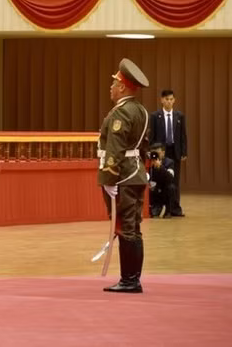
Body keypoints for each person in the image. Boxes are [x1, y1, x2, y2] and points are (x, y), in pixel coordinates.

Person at [98, 58, 150, 294]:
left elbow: (115, 148)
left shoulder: (121, 113)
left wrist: (109, 178)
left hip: (123, 177)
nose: (110, 87)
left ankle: (130, 280)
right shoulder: (140, 110)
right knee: (133, 228)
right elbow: (143, 145)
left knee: (126, 229)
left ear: (122, 87)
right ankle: (131, 278)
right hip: (136, 174)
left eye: (113, 83)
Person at [148, 89, 188, 217]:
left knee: (175, 181)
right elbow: (152, 137)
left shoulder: (179, 116)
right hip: (160, 152)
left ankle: (174, 208)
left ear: (174, 100)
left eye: (171, 99)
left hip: (175, 151)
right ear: (162, 100)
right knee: (158, 178)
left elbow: (183, 136)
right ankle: (156, 207)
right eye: (167, 99)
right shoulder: (155, 116)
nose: (169, 102)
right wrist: (153, 154)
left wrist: (184, 151)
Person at [147, 143, 178, 218]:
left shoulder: (169, 162)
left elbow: (170, 178)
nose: (155, 155)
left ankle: (168, 211)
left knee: (171, 187)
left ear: (163, 153)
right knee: (154, 214)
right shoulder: (148, 162)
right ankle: (154, 207)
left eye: (157, 153)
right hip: (153, 191)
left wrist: (160, 167)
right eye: (153, 153)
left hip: (164, 191)